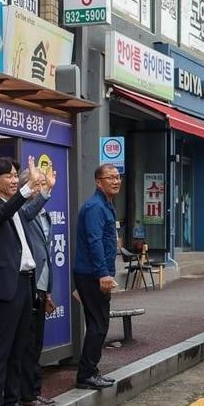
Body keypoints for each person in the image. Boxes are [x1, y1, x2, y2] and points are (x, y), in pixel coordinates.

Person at [0, 157, 48, 406]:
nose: (15, 179)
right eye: (9, 175)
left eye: (17, 175)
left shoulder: (16, 207)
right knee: (1, 349)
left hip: (24, 282)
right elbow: (0, 215)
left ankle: (12, 401)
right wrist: (28, 188)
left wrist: (41, 189)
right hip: (5, 285)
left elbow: (27, 212)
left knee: (20, 346)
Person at [72, 164, 122, 390]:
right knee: (99, 324)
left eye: (117, 177)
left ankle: (91, 370)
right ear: (98, 181)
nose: (116, 181)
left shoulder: (106, 205)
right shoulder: (95, 207)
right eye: (110, 178)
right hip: (92, 274)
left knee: (99, 323)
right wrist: (103, 274)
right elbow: (94, 242)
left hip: (96, 273)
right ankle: (86, 374)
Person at [17, 166, 58, 406]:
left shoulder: (44, 214)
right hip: (27, 284)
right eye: (38, 182)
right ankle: (26, 393)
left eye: (44, 182)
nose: (43, 185)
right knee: (27, 342)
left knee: (37, 343)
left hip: (41, 285)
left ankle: (34, 391)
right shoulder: (22, 210)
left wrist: (48, 290)